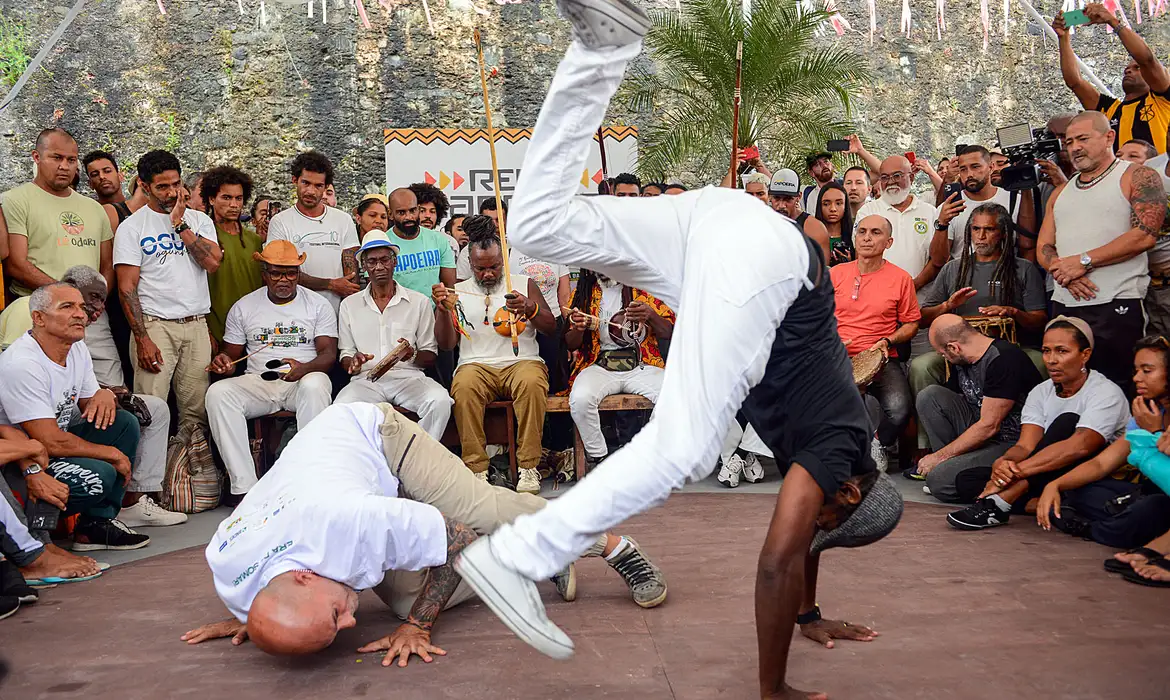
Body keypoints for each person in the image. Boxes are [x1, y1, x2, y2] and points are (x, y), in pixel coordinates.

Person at [449, 9, 904, 700]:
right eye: (829, 518)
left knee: (538, 224)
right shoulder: (837, 454)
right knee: (684, 440)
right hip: (767, 263)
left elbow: (806, 545)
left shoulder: (841, 462)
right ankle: (519, 556)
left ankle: (605, 46)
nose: (813, 520)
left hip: (720, 226)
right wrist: (773, 688)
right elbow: (778, 563)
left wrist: (809, 615)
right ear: (847, 491)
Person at [180, 402, 667, 659]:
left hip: (373, 437)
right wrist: (260, 624)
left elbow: (457, 535)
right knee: (401, 601)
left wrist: (419, 626)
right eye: (336, 630)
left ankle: (611, 545)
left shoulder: (352, 522)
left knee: (483, 509)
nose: (351, 622)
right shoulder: (231, 567)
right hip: (335, 485)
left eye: (333, 617)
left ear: (305, 577)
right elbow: (267, 602)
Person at [0, 266, 183, 527]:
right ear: (39, 318)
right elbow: (50, 441)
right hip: (22, 460)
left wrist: (104, 393)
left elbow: (89, 402)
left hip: (50, 444)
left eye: (80, 306)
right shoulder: (22, 362)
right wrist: (110, 453)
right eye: (67, 307)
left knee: (124, 422)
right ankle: (34, 532)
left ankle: (97, 526)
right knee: (100, 475)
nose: (80, 313)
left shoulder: (76, 348)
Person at [946, 318, 1129, 528]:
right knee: (967, 480)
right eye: (1046, 351)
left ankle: (1000, 503)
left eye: (1062, 351)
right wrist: (1004, 464)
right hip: (1042, 472)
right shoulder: (1041, 391)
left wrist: (1017, 474)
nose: (1051, 360)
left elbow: (1082, 446)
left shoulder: (1105, 392)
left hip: (1089, 473)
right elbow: (1026, 445)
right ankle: (1045, 504)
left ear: (1084, 355)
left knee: (1067, 422)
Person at [1037, 110, 1164, 393]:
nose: (1074, 147)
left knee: (1125, 386)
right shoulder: (1061, 191)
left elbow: (1145, 235)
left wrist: (1083, 262)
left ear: (1109, 137)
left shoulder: (1137, 175)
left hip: (1118, 300)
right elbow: (1044, 247)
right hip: (1066, 304)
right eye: (1069, 142)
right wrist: (1063, 271)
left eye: (1083, 138)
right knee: (1071, 389)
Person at [206, 241, 337, 501]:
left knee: (316, 384)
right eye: (276, 273)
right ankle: (245, 488)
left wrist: (305, 368)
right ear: (264, 274)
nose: (284, 280)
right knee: (218, 393)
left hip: (301, 380)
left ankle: (311, 479)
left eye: (291, 273)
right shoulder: (244, 307)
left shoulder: (318, 305)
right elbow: (231, 356)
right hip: (260, 382)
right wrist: (223, 362)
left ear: (299, 274)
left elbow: (328, 355)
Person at [433, 220, 557, 494]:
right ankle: (477, 470)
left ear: (504, 260)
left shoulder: (523, 284)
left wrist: (531, 308)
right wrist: (442, 310)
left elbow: (551, 328)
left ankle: (528, 468)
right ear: (470, 263)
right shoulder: (458, 290)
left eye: (494, 267)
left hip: (522, 361)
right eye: (481, 268)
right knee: (463, 387)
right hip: (475, 365)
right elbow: (445, 344)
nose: (488, 274)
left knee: (531, 383)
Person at [114, 149, 222, 430]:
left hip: (196, 324)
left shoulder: (199, 221)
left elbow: (211, 263)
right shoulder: (132, 228)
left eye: (176, 184)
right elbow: (127, 288)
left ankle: (188, 472)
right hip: (156, 326)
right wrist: (142, 339)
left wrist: (180, 225)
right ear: (144, 185)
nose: (172, 193)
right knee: (150, 410)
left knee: (195, 412)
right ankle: (150, 475)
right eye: (162, 187)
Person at [1034, 335, 1170, 548]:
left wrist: (1156, 432)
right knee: (1081, 490)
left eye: (1147, 370)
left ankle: (1092, 528)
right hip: (1143, 493)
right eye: (1136, 371)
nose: (1136, 378)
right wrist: (1056, 484)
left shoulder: (1148, 419)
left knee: (1151, 507)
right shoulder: (1148, 412)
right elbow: (1102, 463)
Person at [2, 129, 117, 367]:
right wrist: (71, 300)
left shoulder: (95, 209)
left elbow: (107, 265)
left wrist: (94, 304)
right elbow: (16, 263)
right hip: (41, 315)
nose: (65, 166)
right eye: (56, 158)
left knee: (111, 389)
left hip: (93, 318)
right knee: (50, 390)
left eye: (71, 160)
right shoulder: (14, 200)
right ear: (36, 157)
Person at [912, 203, 1048, 395]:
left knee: (1041, 363)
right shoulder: (952, 269)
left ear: (1002, 233)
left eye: (989, 229)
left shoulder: (1023, 269)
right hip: (957, 352)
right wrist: (947, 305)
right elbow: (923, 319)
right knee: (921, 367)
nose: (981, 236)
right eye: (976, 229)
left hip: (1010, 349)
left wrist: (1013, 312)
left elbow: (1039, 321)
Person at [336, 231, 452, 439]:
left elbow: (430, 354)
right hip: (366, 381)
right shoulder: (349, 305)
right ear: (364, 266)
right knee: (341, 409)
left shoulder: (419, 302)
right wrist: (353, 362)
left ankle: (416, 456)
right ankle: (368, 463)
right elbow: (345, 354)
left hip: (408, 378)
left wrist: (411, 355)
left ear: (394, 261)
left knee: (439, 401)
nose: (379, 267)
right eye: (372, 261)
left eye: (384, 260)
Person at [914, 315, 1043, 494]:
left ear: (953, 347)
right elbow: (948, 401)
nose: (943, 357)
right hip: (980, 431)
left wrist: (938, 457)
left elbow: (989, 426)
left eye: (942, 353)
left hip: (1011, 442)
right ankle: (948, 467)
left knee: (939, 481)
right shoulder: (962, 358)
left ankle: (948, 472)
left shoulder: (1003, 359)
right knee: (929, 396)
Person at [831, 214, 920, 471]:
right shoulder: (836, 274)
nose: (867, 237)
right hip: (839, 356)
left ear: (889, 242)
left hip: (881, 356)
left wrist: (887, 340)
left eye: (875, 233)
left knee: (899, 410)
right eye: (862, 232)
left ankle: (877, 443)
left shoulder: (901, 278)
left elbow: (912, 323)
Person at [564, 268, 674, 473]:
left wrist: (650, 315)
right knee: (580, 399)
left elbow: (667, 331)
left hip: (641, 365)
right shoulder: (584, 293)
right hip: (599, 366)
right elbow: (570, 344)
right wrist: (579, 329)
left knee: (673, 397)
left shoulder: (644, 289)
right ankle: (600, 459)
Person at [1055, 3, 1170, 153]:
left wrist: (1112, 21)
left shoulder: (1162, 100)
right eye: (1126, 69)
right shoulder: (1110, 110)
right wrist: (1064, 38)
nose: (1129, 70)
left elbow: (1147, 59)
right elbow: (1075, 82)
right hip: (1124, 177)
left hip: (1160, 175)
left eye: (1137, 68)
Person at [267, 151, 360, 312]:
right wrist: (330, 284)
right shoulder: (280, 222)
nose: (311, 191)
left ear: (325, 187)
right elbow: (281, 270)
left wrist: (349, 315)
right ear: (295, 180)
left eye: (318, 186)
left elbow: (351, 277)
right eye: (306, 183)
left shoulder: (343, 220)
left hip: (339, 313)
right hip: (296, 314)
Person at [856, 154, 948, 291]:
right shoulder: (867, 211)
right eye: (885, 177)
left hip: (920, 299)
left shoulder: (930, 212)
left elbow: (937, 259)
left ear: (911, 177)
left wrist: (914, 285)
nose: (891, 181)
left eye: (897, 175)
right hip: (877, 295)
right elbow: (862, 256)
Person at [939, 145, 1035, 262]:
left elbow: (1027, 246)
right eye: (963, 169)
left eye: (975, 167)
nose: (969, 174)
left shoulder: (1015, 200)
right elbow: (939, 259)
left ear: (990, 167)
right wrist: (941, 224)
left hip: (1006, 275)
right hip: (963, 276)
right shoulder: (951, 206)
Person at [202, 166, 264, 345]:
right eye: (226, 198)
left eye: (239, 198)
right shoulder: (203, 239)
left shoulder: (254, 240)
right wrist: (206, 331)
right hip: (216, 331)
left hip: (254, 331)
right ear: (212, 199)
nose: (234, 205)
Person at [385, 188, 457, 298]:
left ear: (418, 209)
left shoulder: (439, 240)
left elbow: (449, 289)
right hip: (397, 312)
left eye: (412, 210)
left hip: (435, 313)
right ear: (390, 214)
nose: (409, 217)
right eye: (401, 212)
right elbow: (379, 292)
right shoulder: (383, 244)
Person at [766, 168, 831, 261]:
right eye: (776, 198)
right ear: (769, 196)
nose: (781, 205)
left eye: (788, 199)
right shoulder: (762, 224)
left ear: (799, 197)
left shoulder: (814, 228)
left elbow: (822, 270)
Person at [409, 182, 461, 257]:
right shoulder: (397, 240)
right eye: (422, 211)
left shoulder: (448, 242)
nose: (428, 216)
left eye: (432, 211)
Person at [815, 182, 854, 265]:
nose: (833, 209)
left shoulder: (855, 236)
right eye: (826, 204)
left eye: (838, 203)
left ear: (845, 206)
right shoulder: (811, 235)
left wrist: (850, 263)